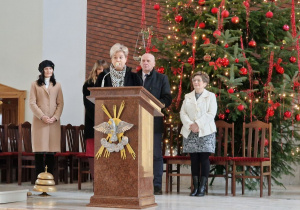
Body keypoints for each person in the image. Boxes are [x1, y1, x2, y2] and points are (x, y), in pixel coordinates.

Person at [138, 53, 172, 195]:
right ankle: (138, 183)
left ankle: (156, 184)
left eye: (148, 61)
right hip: (136, 122)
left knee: (156, 155)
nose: (146, 63)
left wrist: (156, 105)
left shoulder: (161, 78)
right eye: (143, 61)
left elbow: (167, 98)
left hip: (154, 122)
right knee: (137, 154)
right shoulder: (134, 77)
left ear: (153, 63)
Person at [180, 71, 217, 197]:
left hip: (206, 131)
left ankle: (202, 188)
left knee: (204, 158)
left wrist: (198, 124)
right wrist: (191, 124)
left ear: (205, 83)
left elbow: (211, 113)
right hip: (190, 131)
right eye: (194, 80)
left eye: (199, 80)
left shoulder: (211, 96)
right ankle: (195, 187)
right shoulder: (187, 96)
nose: (196, 82)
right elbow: (182, 113)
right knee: (194, 159)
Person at [29, 60, 64, 177]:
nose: (48, 71)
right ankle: (39, 180)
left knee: (51, 151)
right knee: (39, 151)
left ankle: (49, 179)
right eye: (46, 69)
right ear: (42, 71)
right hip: (40, 122)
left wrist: (55, 117)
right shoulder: (35, 84)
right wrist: (42, 116)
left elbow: (60, 103)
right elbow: (32, 103)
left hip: (53, 123)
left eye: (50, 68)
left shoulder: (57, 85)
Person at [83, 59, 108, 179]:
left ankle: (105, 180)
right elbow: (88, 105)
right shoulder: (88, 84)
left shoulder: (109, 83)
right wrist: (99, 119)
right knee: (93, 152)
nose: (101, 71)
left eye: (104, 69)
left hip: (108, 123)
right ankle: (96, 180)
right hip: (92, 121)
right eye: (99, 69)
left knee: (106, 152)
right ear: (95, 70)